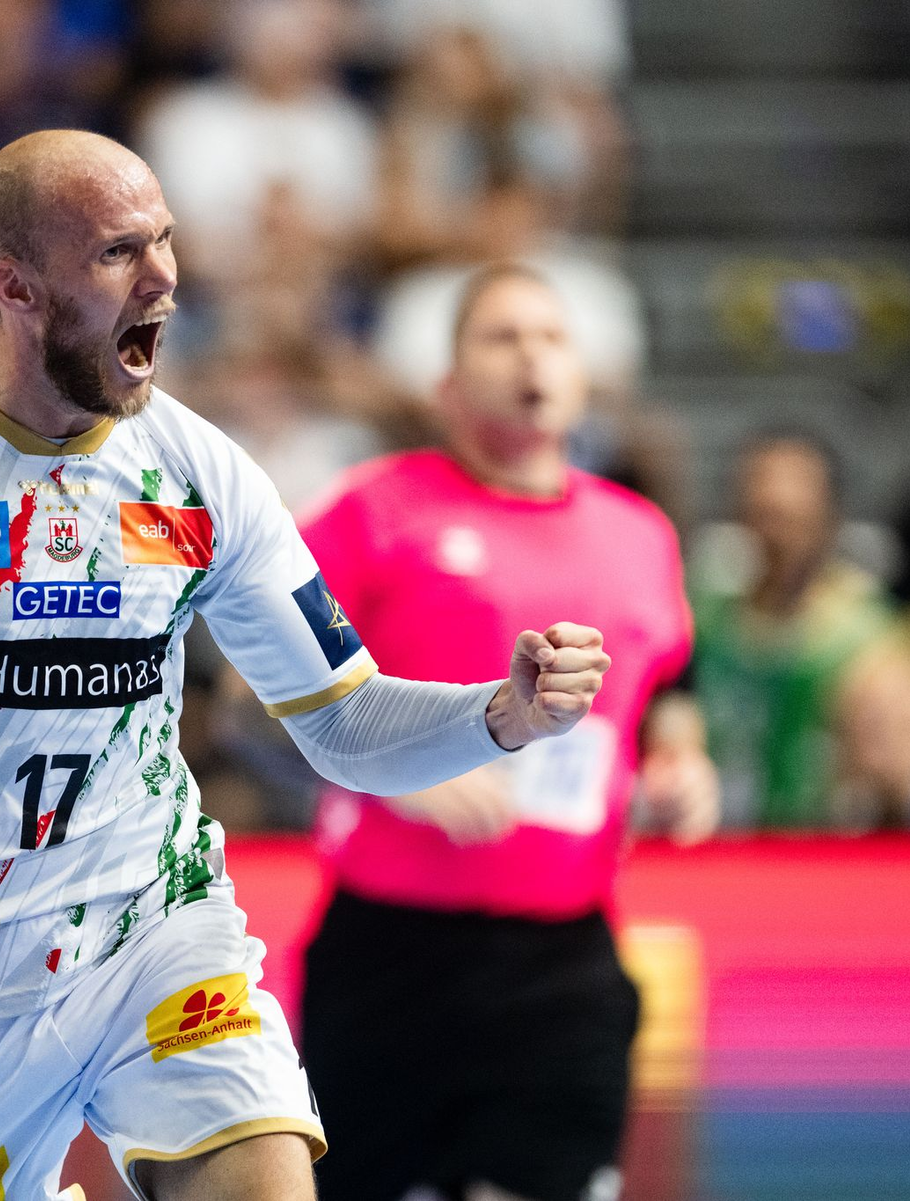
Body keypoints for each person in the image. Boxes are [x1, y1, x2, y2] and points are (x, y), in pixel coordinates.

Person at [0, 132, 611, 1201]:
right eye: (118, 253)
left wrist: (497, 716)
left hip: (155, 925)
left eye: (167, 242)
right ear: (16, 288)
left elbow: (342, 719)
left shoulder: (198, 472)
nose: (167, 278)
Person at [297, 263, 718, 1201]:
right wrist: (396, 772)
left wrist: (682, 758)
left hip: (563, 963)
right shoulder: (372, 510)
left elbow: (668, 682)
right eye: (501, 335)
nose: (532, 355)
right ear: (447, 386)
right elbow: (256, 705)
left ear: (582, 379)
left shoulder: (641, 532)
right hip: (388, 962)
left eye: (552, 336)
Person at [692, 432, 895, 827]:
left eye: (791, 520)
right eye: (763, 516)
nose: (777, 539)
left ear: (828, 521)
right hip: (718, 848)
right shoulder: (707, 624)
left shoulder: (866, 638)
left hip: (817, 854)